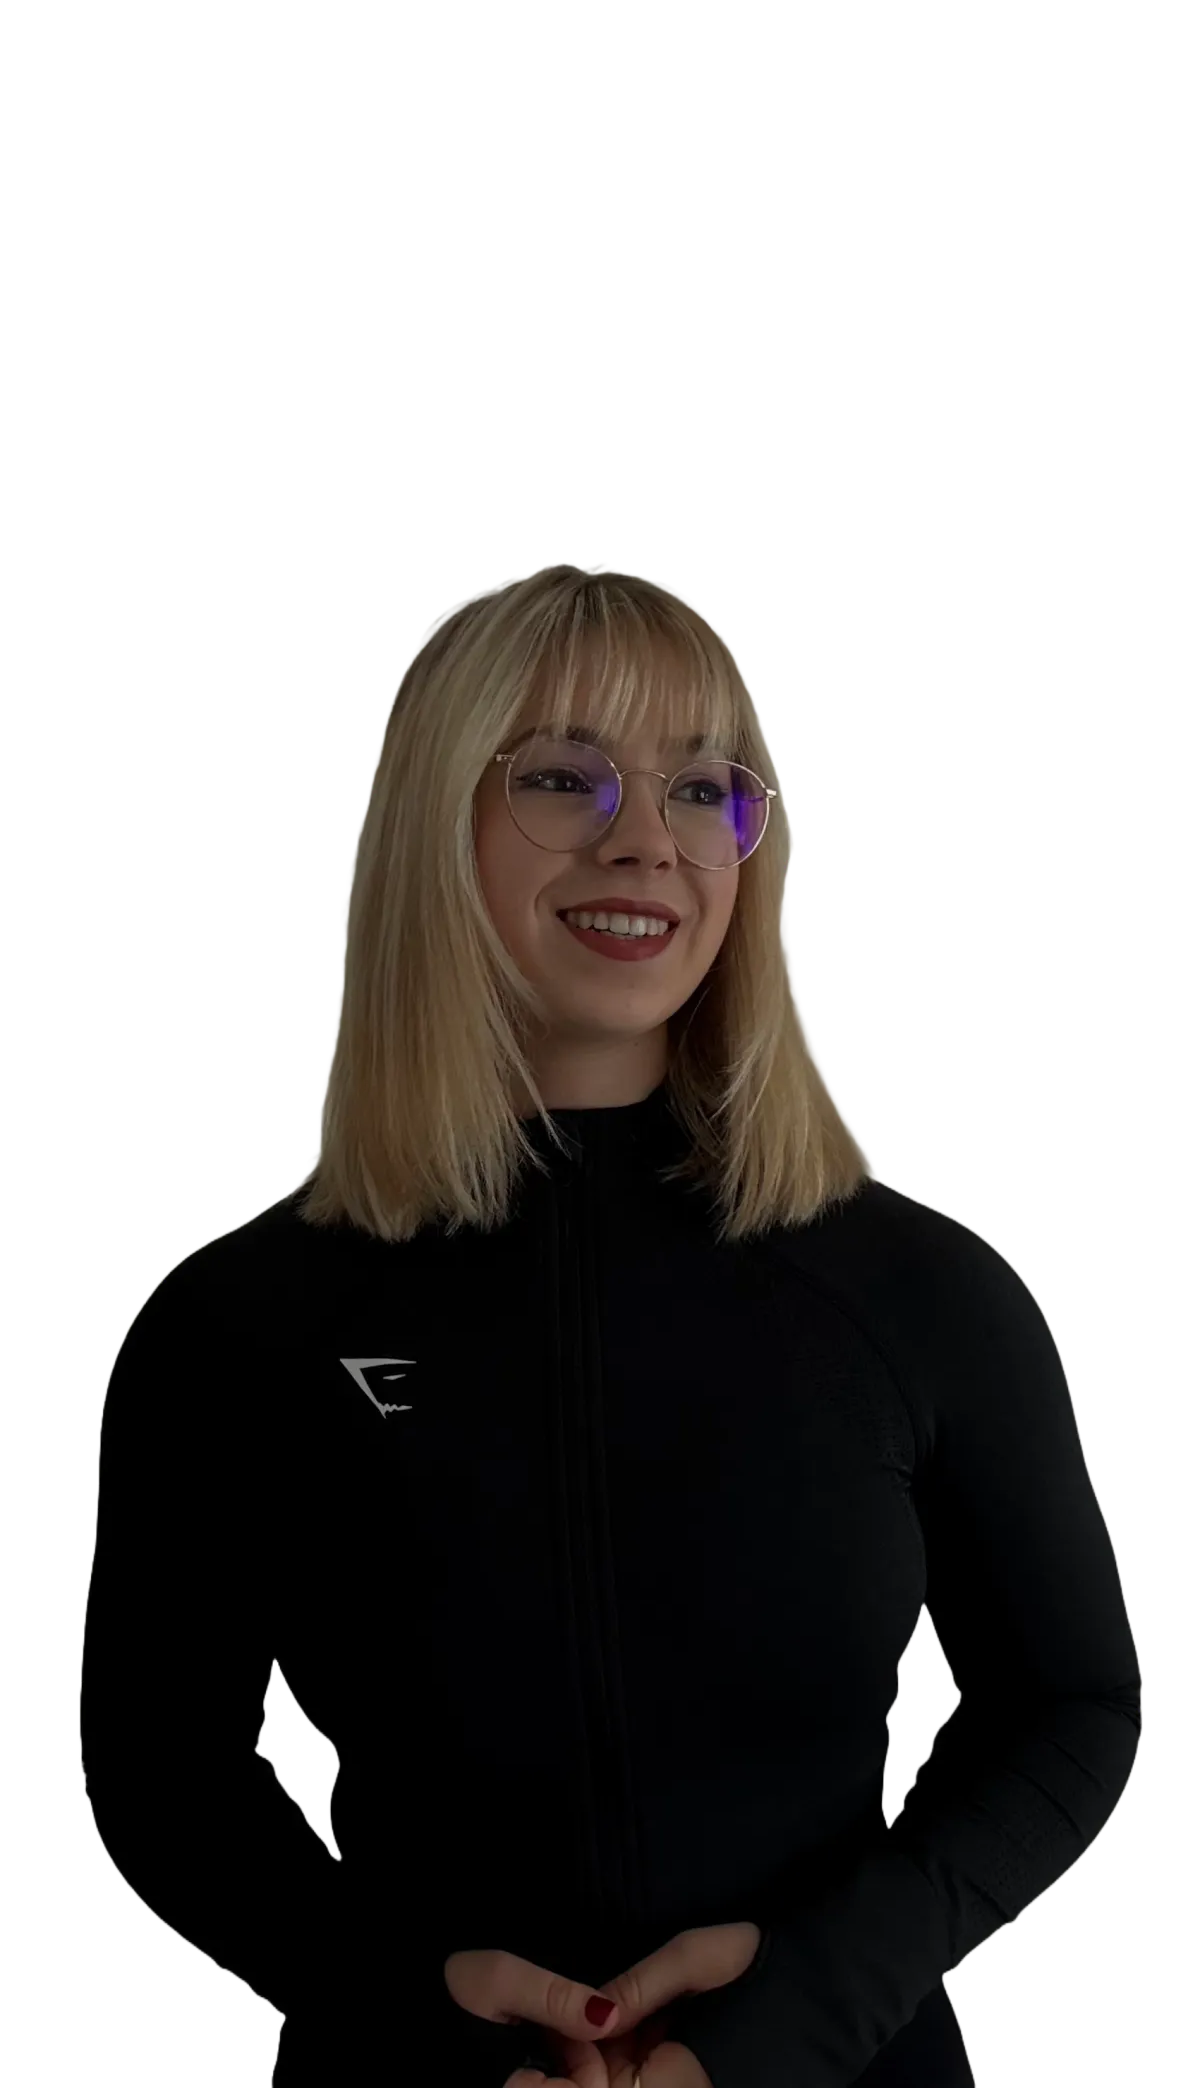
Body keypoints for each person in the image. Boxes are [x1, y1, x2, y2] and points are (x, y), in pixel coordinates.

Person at [81, 566, 1142, 2085]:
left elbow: (1073, 1708)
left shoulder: (919, 1294)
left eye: (703, 788)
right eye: (563, 777)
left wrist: (801, 2009)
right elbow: (163, 1767)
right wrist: (415, 2018)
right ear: (437, 820)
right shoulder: (239, 1322)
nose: (647, 838)